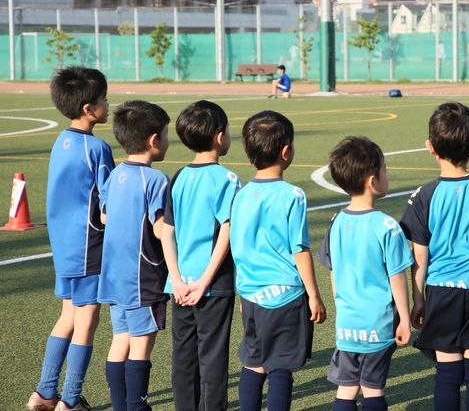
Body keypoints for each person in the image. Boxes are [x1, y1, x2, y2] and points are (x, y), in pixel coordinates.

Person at [400, 102, 469, 411]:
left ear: (430, 147)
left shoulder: (424, 195)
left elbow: (419, 256)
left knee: (447, 373)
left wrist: (418, 300)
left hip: (441, 291)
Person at [27, 67, 114, 411]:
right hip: (88, 244)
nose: (108, 104)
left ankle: (45, 392)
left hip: (64, 246)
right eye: (104, 99)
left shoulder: (60, 141)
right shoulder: (97, 148)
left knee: (68, 315)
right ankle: (71, 399)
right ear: (89, 109)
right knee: (87, 319)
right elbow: (108, 205)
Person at [229, 110, 327, 411]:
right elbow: (300, 249)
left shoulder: (241, 194)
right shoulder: (292, 195)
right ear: (286, 152)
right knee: (280, 368)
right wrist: (314, 294)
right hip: (285, 295)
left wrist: (243, 291)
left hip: (252, 294)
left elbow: (238, 246)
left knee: (254, 362)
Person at [317, 136, 413, 411]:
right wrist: (405, 320)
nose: (387, 175)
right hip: (378, 323)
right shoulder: (386, 226)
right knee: (372, 389)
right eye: (385, 170)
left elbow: (333, 272)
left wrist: (342, 306)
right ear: (372, 181)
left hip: (347, 323)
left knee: (346, 388)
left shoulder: (336, 221)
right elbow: (397, 278)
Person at [160, 101, 240, 410]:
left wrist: (177, 280)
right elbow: (227, 230)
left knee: (183, 357)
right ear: (220, 136)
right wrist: (205, 280)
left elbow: (167, 232)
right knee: (213, 358)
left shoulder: (178, 176)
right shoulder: (227, 179)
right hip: (213, 286)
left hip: (180, 287)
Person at [98, 100, 171, 411]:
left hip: (113, 274)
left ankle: (121, 405)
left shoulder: (116, 174)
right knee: (141, 345)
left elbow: (104, 216)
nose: (167, 140)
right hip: (142, 276)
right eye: (166, 134)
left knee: (120, 339)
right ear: (154, 140)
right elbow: (160, 230)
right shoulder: (156, 180)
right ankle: (137, 406)